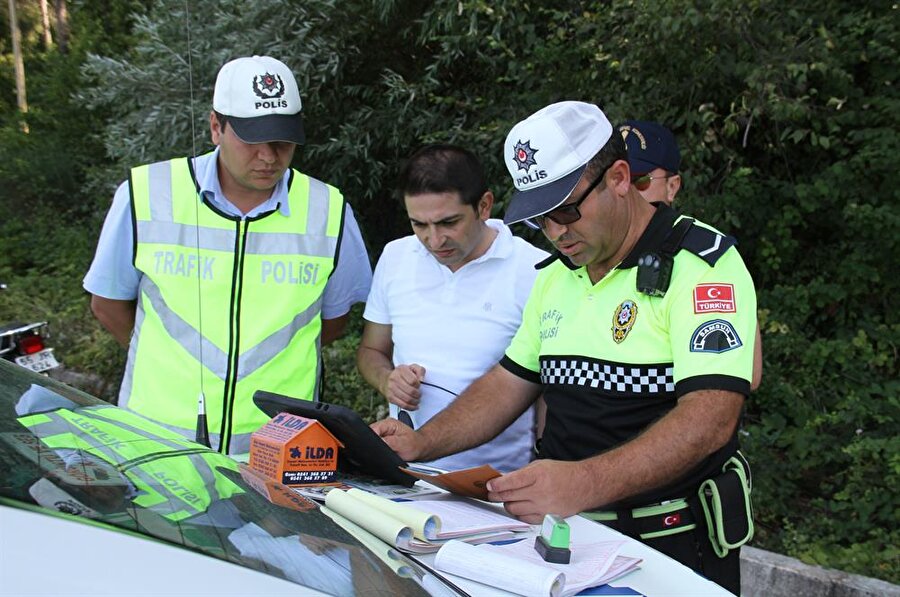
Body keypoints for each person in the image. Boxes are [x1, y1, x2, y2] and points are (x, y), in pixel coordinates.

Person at [373, 102, 757, 594]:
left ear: (619, 177)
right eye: (540, 219)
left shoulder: (700, 265)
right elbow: (508, 383)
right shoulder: (557, 278)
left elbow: (710, 418)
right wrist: (420, 443)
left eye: (567, 210)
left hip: (672, 541)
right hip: (562, 539)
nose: (556, 232)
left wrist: (585, 483)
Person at [84, 55, 372, 455]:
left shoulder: (330, 209)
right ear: (216, 126)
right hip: (154, 443)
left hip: (278, 452)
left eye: (283, 141)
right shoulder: (146, 193)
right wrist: (166, 363)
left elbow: (334, 322)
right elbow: (107, 305)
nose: (269, 157)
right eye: (253, 140)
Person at [357, 144, 548, 472]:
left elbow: (549, 389)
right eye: (418, 225)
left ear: (484, 206)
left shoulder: (535, 270)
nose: (434, 240)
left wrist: (546, 467)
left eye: (448, 222)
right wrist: (387, 380)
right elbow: (371, 349)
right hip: (403, 478)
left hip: (495, 488)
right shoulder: (396, 257)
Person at [619, 120, 763, 390]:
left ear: (672, 186)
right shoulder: (587, 256)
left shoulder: (704, 257)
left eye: (640, 181)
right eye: (615, 179)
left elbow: (746, 373)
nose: (624, 192)